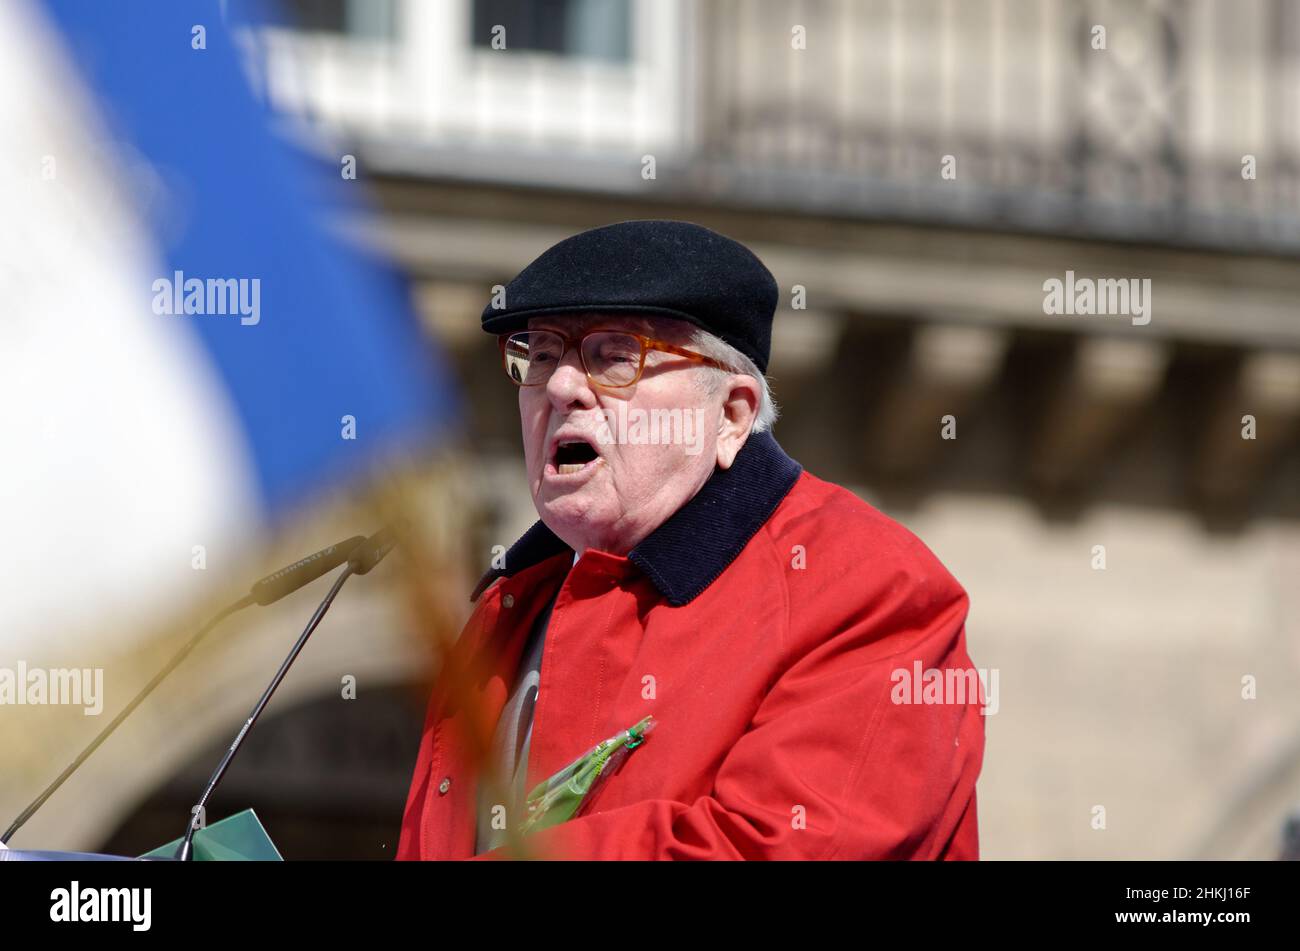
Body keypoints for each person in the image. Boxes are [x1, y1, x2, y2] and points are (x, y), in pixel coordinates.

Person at [396, 220, 985, 860]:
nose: (561, 388)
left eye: (615, 356)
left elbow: (773, 849)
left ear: (731, 415)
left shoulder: (867, 586)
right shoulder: (506, 608)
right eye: (540, 354)